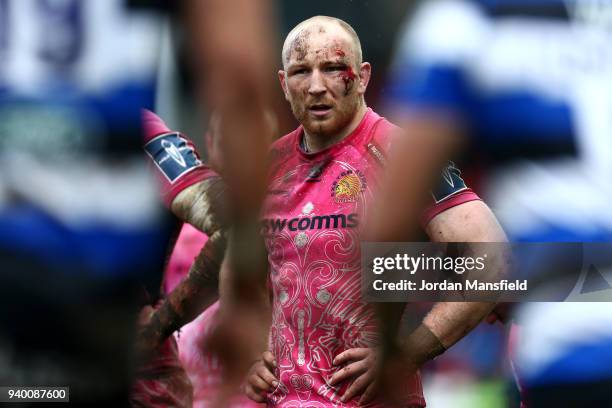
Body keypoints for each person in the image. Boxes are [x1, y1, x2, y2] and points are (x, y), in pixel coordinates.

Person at [243, 16, 507, 407]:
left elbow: (493, 260)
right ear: (283, 83)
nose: (317, 86)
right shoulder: (269, 165)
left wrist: (404, 353)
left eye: (333, 68)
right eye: (302, 71)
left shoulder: (400, 154)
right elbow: (250, 273)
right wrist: (252, 351)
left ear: (363, 76)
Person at [383, 0, 612, 406]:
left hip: (577, 354)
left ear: (363, 73)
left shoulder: (467, 23)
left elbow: (388, 228)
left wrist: (392, 353)